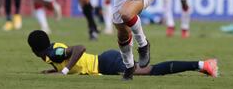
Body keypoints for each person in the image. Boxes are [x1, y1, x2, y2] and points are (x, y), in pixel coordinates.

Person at [27, 30, 218, 77]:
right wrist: (54, 72)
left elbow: (79, 48)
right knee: (147, 71)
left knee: (148, 72)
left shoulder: (53, 53)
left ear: (35, 49)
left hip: (106, 63)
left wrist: (65, 71)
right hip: (105, 61)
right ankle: (202, 65)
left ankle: (202, 65)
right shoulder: (51, 53)